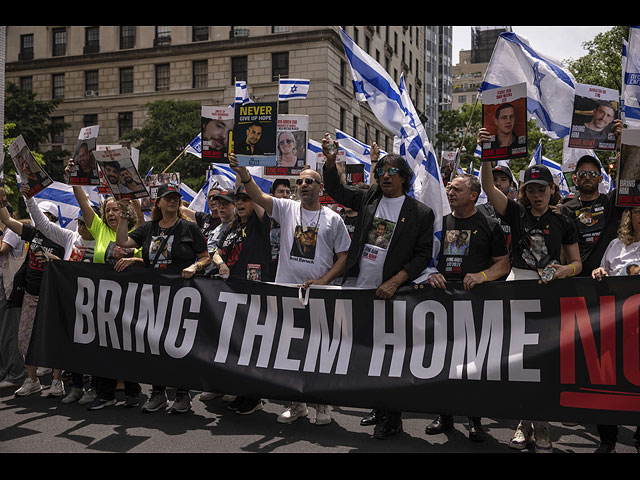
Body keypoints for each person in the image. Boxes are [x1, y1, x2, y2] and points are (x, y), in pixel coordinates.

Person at [321, 133, 435, 439]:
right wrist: (330, 161)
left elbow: (424, 255)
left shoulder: (421, 213)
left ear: (404, 178)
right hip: (361, 288)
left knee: (390, 355)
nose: (384, 176)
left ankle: (392, 417)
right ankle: (378, 405)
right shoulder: (369, 197)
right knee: (367, 352)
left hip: (393, 295)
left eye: (391, 172)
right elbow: (334, 189)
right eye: (380, 172)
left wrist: (395, 281)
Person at [479, 130, 582, 453]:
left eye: (542, 190)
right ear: (524, 192)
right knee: (519, 360)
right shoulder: (515, 213)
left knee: (546, 361)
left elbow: (577, 262)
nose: (537, 195)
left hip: (550, 291)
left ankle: (543, 424)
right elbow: (487, 187)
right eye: (531, 190)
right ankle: (523, 422)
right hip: (518, 286)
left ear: (553, 190)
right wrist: (486, 151)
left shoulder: (564, 221)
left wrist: (565, 270)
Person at [230, 152, 351, 426]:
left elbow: (344, 257)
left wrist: (323, 281)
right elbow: (259, 198)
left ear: (321, 188)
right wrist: (244, 174)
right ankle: (297, 406)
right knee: (291, 351)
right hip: (286, 293)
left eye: (311, 181)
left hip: (318, 295)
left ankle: (322, 405)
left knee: (318, 350)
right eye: (301, 181)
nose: (305, 185)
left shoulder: (333, 219)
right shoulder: (287, 208)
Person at [424, 174, 510, 443]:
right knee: (441, 361)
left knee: (471, 364)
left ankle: (474, 420)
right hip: (440, 302)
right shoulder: (438, 223)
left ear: (473, 195)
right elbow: (422, 256)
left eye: (457, 189)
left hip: (473, 304)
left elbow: (503, 264)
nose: (450, 192)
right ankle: (444, 415)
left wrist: (482, 276)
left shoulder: (489, 224)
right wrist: (429, 273)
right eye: (449, 188)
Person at [116, 183, 209, 414]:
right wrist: (124, 215)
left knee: (178, 346)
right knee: (154, 345)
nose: (173, 201)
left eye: (176, 197)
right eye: (168, 197)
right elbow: (123, 242)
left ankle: (182, 394)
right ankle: (157, 394)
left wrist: (194, 266)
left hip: (180, 296)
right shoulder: (148, 228)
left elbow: (206, 257)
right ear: (158, 202)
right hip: (153, 296)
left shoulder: (189, 228)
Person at [209, 183, 272, 415]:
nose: (241, 204)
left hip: (255, 293)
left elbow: (257, 199)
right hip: (233, 293)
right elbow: (216, 251)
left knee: (252, 345)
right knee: (237, 344)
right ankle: (242, 391)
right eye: (238, 201)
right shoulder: (231, 228)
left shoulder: (260, 224)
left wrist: (245, 174)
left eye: (246, 200)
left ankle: (254, 396)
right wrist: (220, 263)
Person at [0, 192, 67, 398]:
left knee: (54, 337)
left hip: (53, 294)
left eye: (45, 216)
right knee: (26, 336)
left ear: (53, 220)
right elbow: (8, 220)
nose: (40, 220)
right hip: (31, 292)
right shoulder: (33, 234)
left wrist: (52, 259)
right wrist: (2, 202)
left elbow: (69, 264)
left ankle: (57, 381)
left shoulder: (63, 238)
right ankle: (32, 380)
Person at [591, 206, 640, 453]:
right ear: (629, 216)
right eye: (637, 211)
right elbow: (602, 271)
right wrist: (599, 272)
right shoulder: (615, 245)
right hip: (616, 323)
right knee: (609, 380)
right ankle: (607, 439)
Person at [560, 154, 623, 277]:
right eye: (582, 174)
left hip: (609, 275)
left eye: (593, 174)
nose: (587, 177)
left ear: (600, 179)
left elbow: (628, 181)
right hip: (579, 279)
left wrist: (623, 158)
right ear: (575, 179)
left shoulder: (611, 202)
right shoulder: (566, 209)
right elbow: (562, 247)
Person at [0, 203, 27, 391]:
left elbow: (2, 249)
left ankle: (15, 374)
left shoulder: (11, 230)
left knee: (9, 330)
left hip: (7, 284)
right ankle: (4, 370)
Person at [268, 178, 291, 276]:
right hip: (268, 266)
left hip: (288, 267)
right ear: (272, 196)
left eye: (287, 192)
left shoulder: (296, 215)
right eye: (281, 191)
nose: (285, 195)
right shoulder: (264, 215)